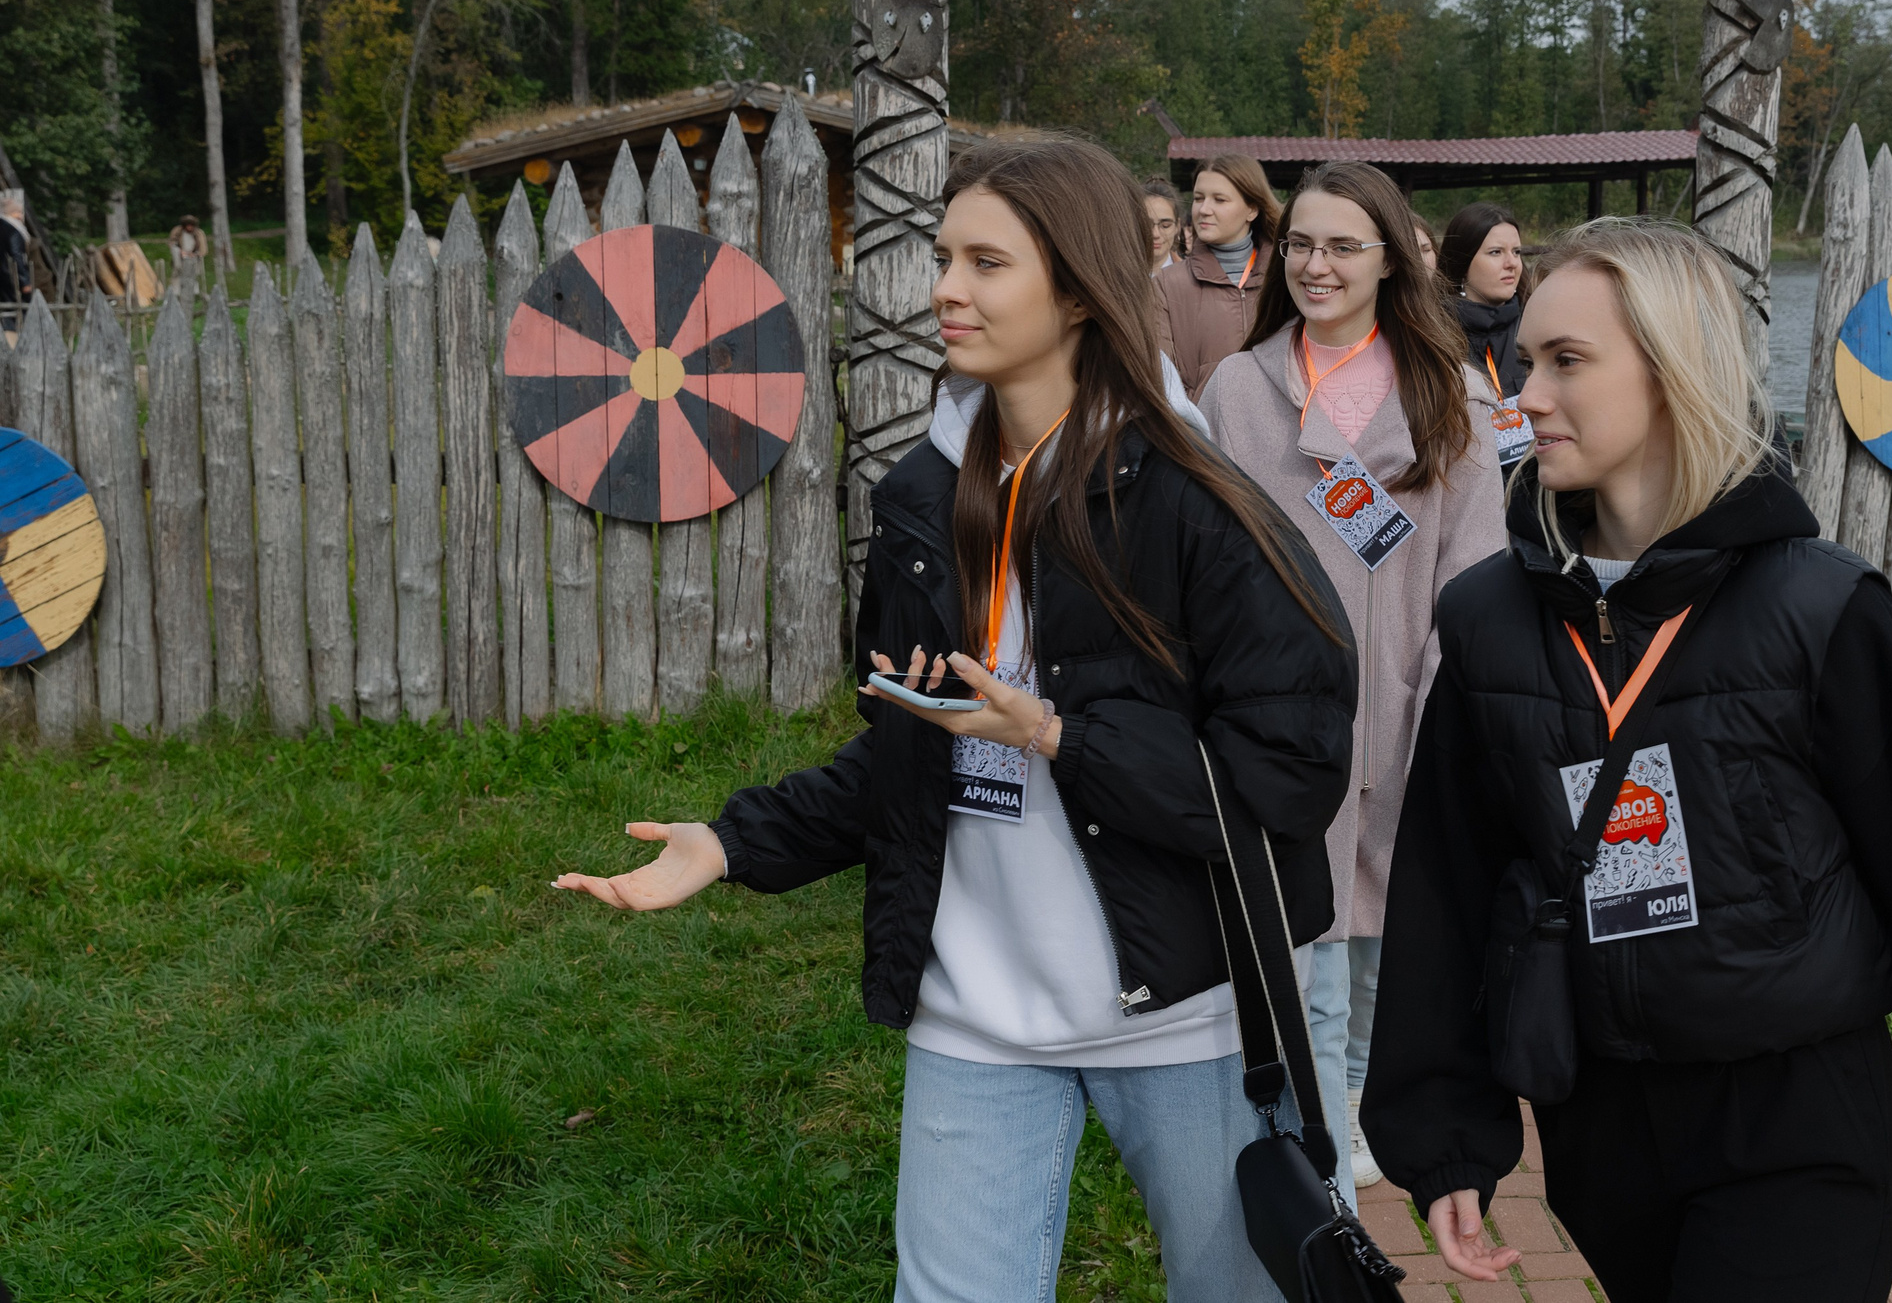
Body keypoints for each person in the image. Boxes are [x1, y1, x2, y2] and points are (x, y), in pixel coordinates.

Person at [555, 135, 1358, 1303]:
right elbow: (910, 741)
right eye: (944, 257)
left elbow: (1287, 776)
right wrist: (734, 844)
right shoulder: (924, 494)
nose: (945, 288)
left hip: (1188, 1024)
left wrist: (1059, 737)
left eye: (986, 262)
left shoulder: (1199, 503)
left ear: (1079, 289)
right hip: (974, 1020)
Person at [1363, 218, 1892, 1303]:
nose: (1523, 395)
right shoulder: (1487, 618)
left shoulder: (1818, 609)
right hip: (1601, 1123)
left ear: (1672, 371)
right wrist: (1441, 1130)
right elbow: (1450, 881)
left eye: (1567, 361)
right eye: (1527, 361)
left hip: (1795, 1118)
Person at [1198, 159, 1507, 1204]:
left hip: (1416, 707)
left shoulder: (1448, 392)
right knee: (1311, 949)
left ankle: (1368, 1113)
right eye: (1302, 245)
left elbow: (1476, 563)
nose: (1318, 265)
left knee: (1390, 942)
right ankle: (1321, 1167)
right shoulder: (1239, 393)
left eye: (1343, 245)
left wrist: (1442, 693)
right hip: (1283, 725)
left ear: (1390, 258)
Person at [1155, 154, 1280, 395]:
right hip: (1198, 431)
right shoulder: (1167, 284)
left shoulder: (1284, 278)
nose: (1204, 210)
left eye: (1219, 200)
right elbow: (1158, 379)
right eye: (1198, 198)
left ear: (1252, 209)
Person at [1438, 201, 1527, 395]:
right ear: (1463, 262)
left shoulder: (1535, 328)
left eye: (1516, 252)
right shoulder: (1434, 336)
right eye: (1496, 252)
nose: (1512, 263)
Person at [1139, 177, 1183, 272]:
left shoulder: (1191, 279)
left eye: (1165, 225)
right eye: (1147, 225)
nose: (1155, 234)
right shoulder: (1116, 276)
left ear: (1177, 227)